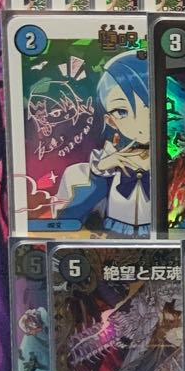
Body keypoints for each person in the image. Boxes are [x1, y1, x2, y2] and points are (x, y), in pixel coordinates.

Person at [56, 52, 151, 236]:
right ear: (111, 121)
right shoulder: (102, 167)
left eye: (149, 108)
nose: (140, 123)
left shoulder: (178, 166)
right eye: (121, 111)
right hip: (113, 241)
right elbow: (68, 221)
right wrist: (99, 172)